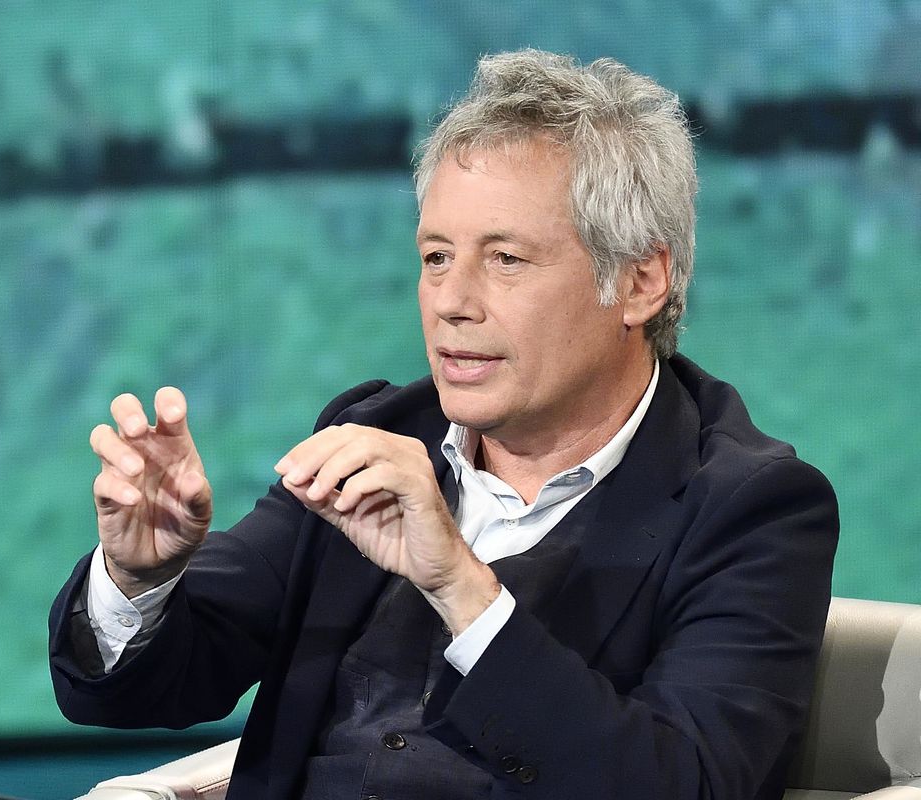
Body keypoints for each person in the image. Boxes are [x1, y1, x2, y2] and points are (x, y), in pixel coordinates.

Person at [49, 49, 838, 800]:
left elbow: (683, 785)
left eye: (505, 259)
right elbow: (146, 687)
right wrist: (141, 578)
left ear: (639, 281)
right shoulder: (377, 431)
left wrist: (459, 588)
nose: (452, 302)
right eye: (435, 257)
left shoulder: (751, 509)